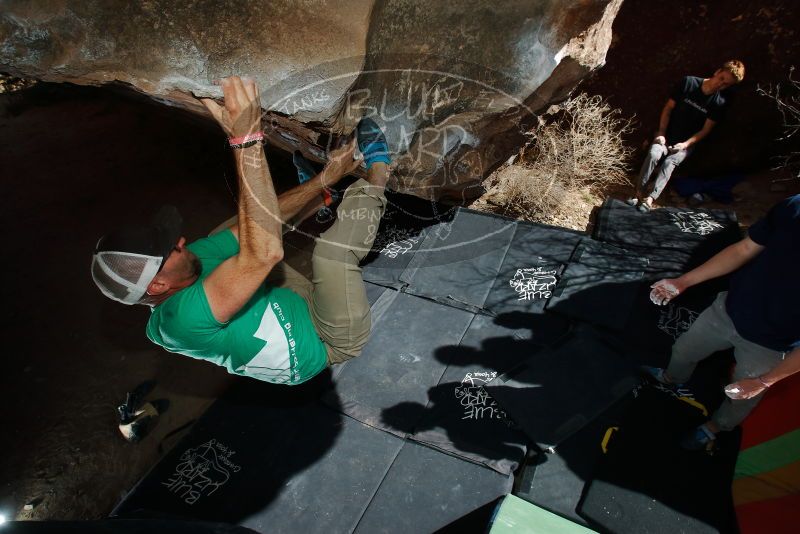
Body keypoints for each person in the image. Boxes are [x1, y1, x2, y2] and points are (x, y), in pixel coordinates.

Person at [91, 76, 392, 385]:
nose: (181, 241)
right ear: (157, 286)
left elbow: (258, 230)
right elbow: (265, 252)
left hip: (285, 301)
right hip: (324, 340)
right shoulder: (181, 322)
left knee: (233, 234)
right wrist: (246, 138)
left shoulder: (185, 266)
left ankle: (322, 197)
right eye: (170, 250)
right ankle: (379, 172)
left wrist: (325, 179)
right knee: (329, 256)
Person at [645, 194, 800, 449]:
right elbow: (744, 249)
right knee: (683, 350)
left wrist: (765, 381)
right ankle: (672, 379)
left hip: (771, 346)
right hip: (728, 310)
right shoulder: (794, 206)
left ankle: (715, 427)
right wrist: (682, 282)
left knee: (742, 396)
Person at [628, 60, 745, 212]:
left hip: (685, 144)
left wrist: (685, 144)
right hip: (666, 135)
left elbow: (704, 130)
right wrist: (661, 133)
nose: (720, 84)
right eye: (721, 78)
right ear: (717, 72)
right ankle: (637, 193)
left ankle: (650, 199)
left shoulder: (718, 102)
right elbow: (668, 109)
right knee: (654, 153)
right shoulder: (689, 83)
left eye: (726, 84)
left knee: (669, 163)